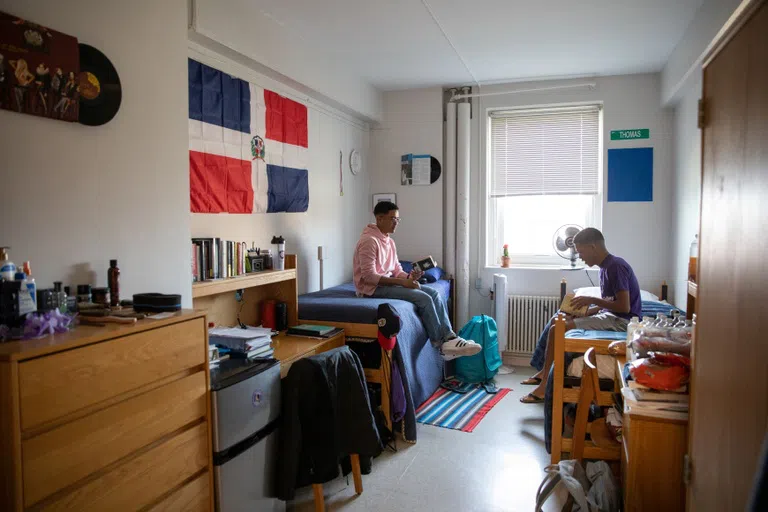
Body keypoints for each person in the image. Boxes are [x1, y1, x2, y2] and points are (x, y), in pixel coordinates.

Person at [520, 227, 641, 403]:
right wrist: (585, 312)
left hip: (622, 321)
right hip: (611, 316)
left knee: (558, 328)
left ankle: (546, 385)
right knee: (559, 318)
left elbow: (623, 306)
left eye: (581, 252)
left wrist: (592, 300)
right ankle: (544, 372)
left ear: (593, 247)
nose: (580, 257)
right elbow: (609, 303)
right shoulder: (605, 268)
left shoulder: (616, 266)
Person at [353, 201, 481, 359]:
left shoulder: (389, 241)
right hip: (370, 290)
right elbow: (369, 277)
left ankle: (450, 337)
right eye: (393, 219)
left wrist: (409, 277)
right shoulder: (369, 241)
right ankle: (441, 344)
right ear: (379, 218)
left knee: (433, 293)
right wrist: (403, 283)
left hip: (385, 283)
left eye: (398, 219)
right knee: (423, 298)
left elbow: (396, 269)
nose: (396, 223)